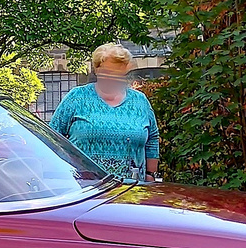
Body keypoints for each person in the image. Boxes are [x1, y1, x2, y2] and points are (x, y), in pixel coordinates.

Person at [48, 43, 161, 183]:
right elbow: (52, 136)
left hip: (132, 188)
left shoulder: (140, 101)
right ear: (97, 69)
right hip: (84, 188)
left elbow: (152, 138)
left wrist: (150, 174)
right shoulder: (77, 97)